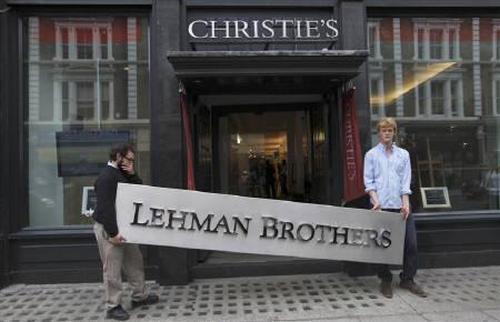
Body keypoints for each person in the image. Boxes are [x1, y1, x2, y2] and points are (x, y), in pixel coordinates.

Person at [93, 143, 158, 320]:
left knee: (134, 261)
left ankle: (140, 296)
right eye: (129, 159)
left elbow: (138, 192)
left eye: (133, 160)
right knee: (112, 269)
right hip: (110, 228)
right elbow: (105, 208)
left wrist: (132, 173)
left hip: (125, 227)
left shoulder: (121, 174)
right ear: (118, 157)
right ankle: (113, 306)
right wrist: (113, 234)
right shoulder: (107, 177)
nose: (131, 162)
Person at [363, 118, 427, 299]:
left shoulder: (403, 155)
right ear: (379, 133)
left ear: (394, 132)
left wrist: (405, 203)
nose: (387, 133)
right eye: (383, 130)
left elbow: (405, 181)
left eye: (390, 130)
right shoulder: (371, 155)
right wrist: (375, 201)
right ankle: (385, 279)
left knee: (411, 244)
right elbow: (369, 182)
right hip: (380, 206)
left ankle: (407, 278)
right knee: (382, 246)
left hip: (401, 206)